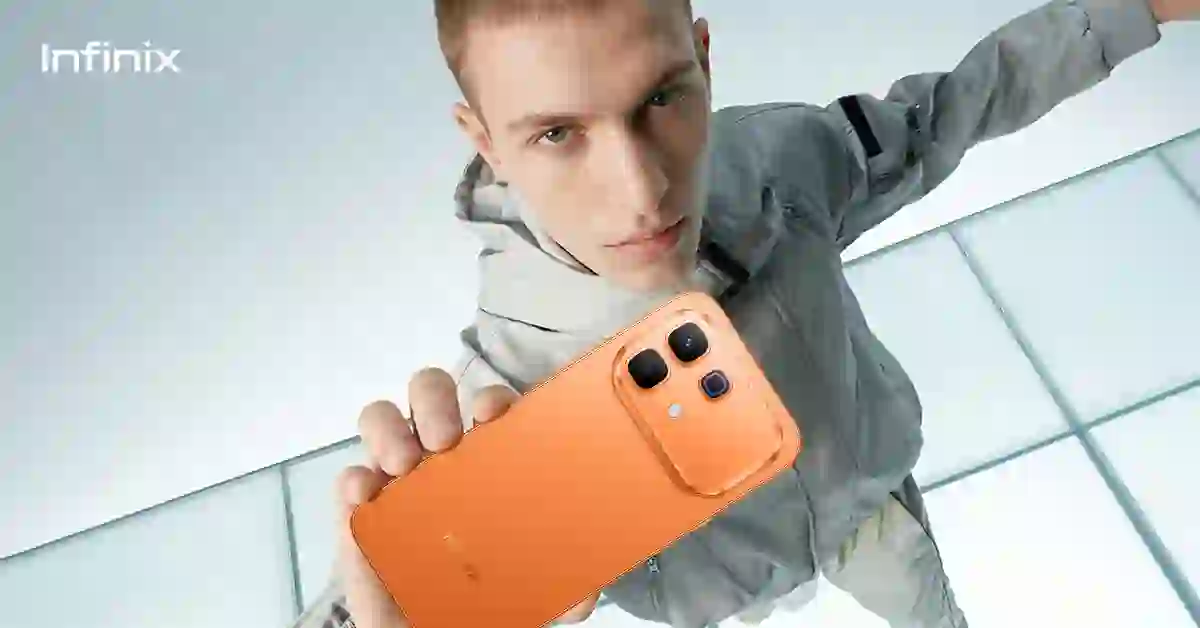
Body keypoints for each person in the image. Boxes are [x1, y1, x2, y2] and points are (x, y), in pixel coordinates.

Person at [292, 0, 1195, 626]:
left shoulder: (784, 159)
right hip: (707, 594)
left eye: (661, 98)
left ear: (704, 58)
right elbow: (364, 599)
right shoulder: (499, 393)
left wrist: (1133, 9)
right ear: (485, 141)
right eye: (558, 133)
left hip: (870, 505)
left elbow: (942, 114)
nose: (642, 191)